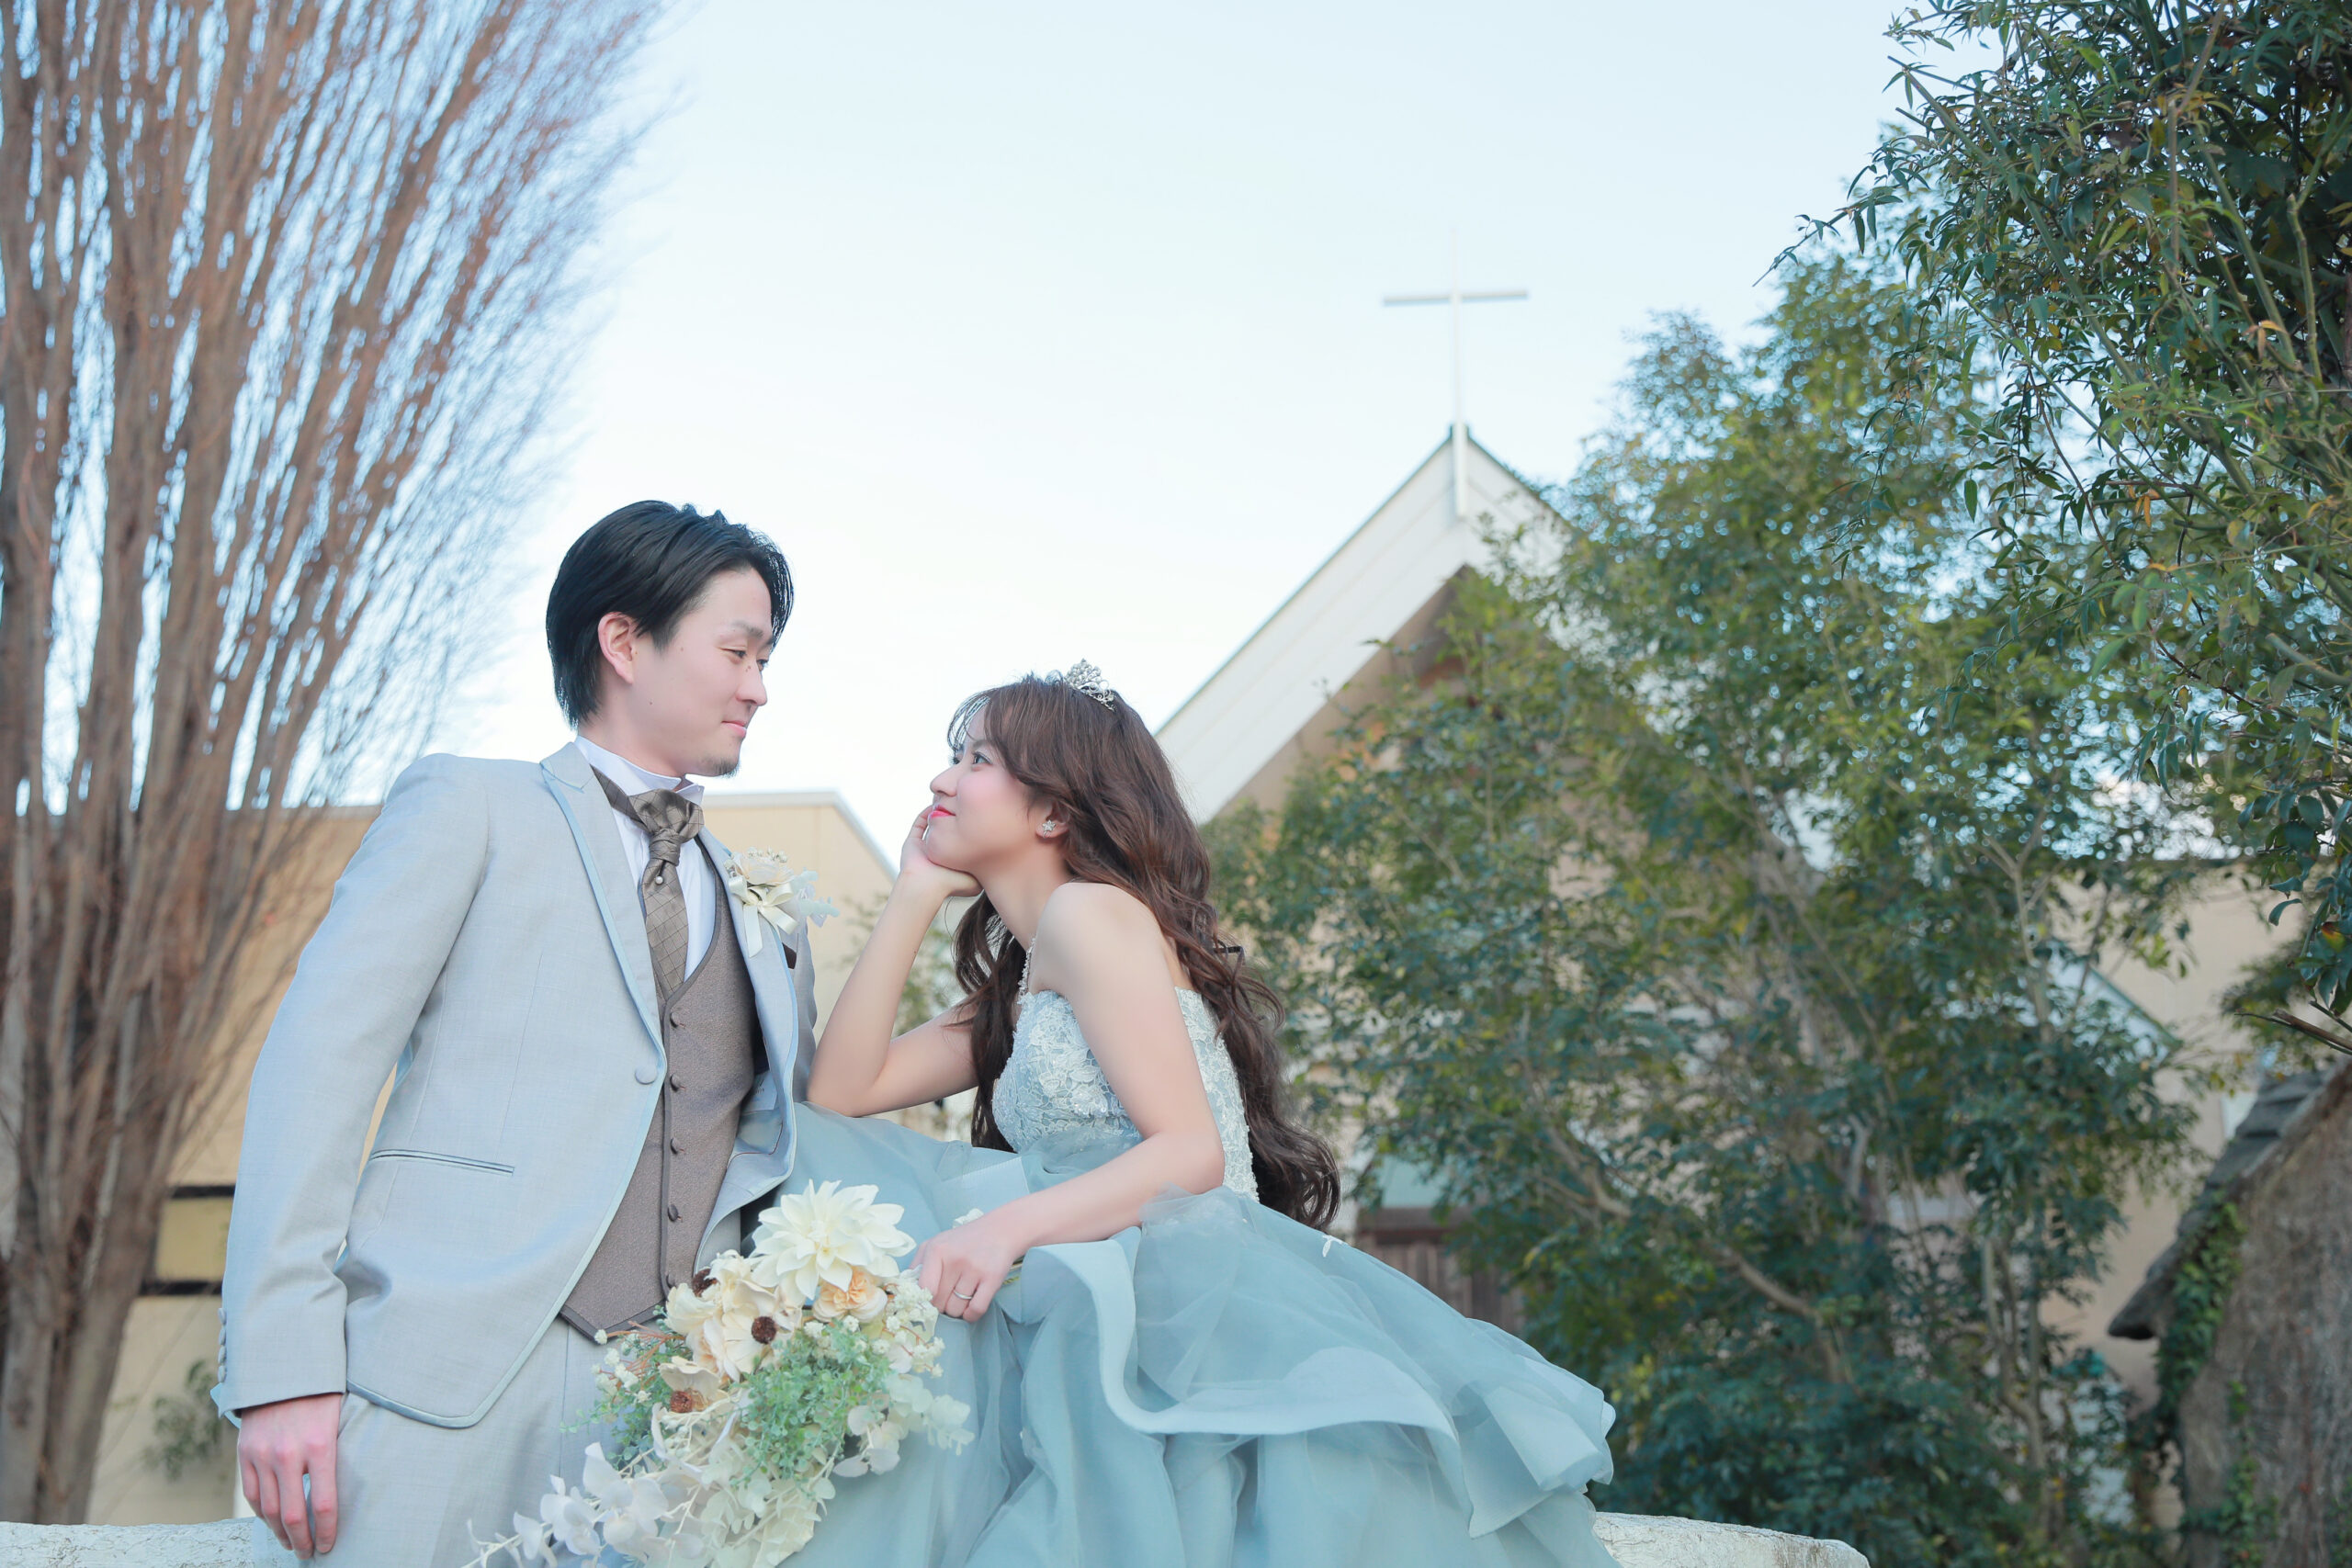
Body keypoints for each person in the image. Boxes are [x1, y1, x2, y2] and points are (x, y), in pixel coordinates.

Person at [210, 502, 1008, 1565]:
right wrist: (283, 1370)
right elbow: (318, 1070)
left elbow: (794, 1136)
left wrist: (1030, 999)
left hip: (671, 1436)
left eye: (766, 660)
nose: (758, 689)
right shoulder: (471, 807)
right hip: (434, 1387)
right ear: (624, 642)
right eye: (737, 652)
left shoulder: (768, 913)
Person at [795, 661, 1620, 1568]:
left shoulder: (1088, 915)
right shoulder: (1031, 977)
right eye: (954, 757)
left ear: (1053, 812)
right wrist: (914, 889)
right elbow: (839, 1096)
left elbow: (1190, 1154)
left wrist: (1002, 1229)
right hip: (1121, 1295)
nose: (941, 779)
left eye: (977, 759)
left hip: (1180, 1303)